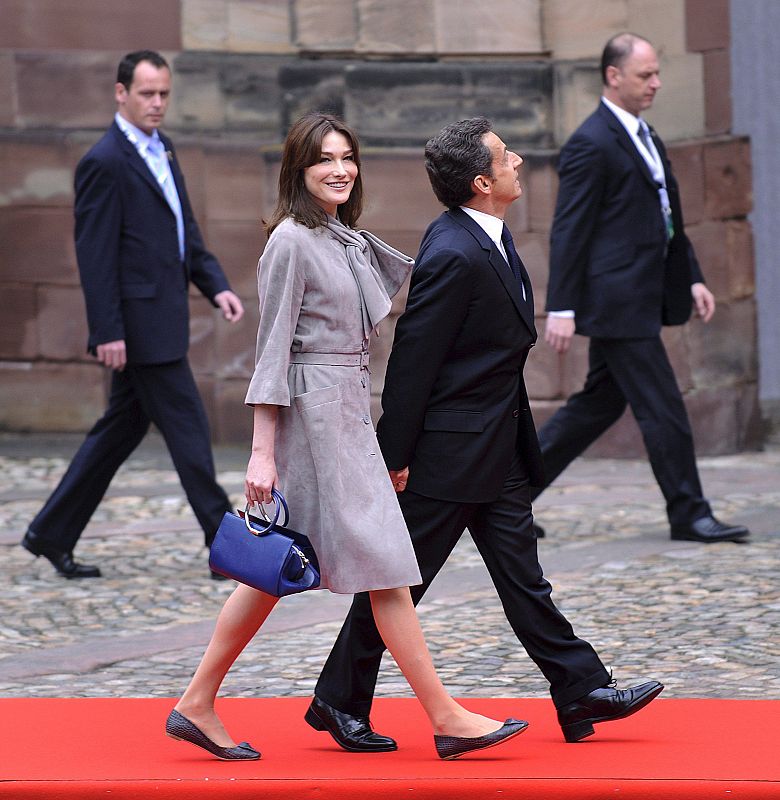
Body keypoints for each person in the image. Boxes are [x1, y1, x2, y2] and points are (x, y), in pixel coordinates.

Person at [166, 112, 528, 762]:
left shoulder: (337, 237)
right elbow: (271, 351)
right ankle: (445, 717)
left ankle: (196, 701)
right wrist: (261, 453)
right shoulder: (290, 243)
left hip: (345, 414)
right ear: (298, 172)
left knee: (275, 567)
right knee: (385, 567)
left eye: (346, 157)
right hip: (314, 421)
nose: (339, 168)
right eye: (323, 159)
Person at [308, 116, 663, 751]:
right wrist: (396, 456)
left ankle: (581, 688)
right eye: (505, 157)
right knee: (399, 584)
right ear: (481, 181)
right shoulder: (453, 252)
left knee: (523, 578)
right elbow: (414, 361)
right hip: (447, 454)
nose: (519, 161)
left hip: (494, 445)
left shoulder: (488, 238)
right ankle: (338, 700)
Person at [20, 50, 244, 579]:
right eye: (147, 93)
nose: (158, 103)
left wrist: (216, 286)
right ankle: (224, 544)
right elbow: (94, 255)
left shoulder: (162, 147)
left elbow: (183, 231)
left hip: (161, 320)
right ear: (121, 93)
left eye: (164, 93)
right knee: (189, 428)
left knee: (117, 433)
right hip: (140, 332)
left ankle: (50, 533)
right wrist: (107, 332)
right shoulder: (104, 161)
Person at [531, 33, 750, 545]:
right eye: (645, 75)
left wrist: (692, 274)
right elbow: (569, 229)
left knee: (596, 407)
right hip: (616, 302)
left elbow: (667, 214)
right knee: (663, 405)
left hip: (642, 295)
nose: (655, 83)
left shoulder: (643, 134)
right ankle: (690, 513)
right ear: (613, 76)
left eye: (656, 74)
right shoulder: (591, 141)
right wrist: (560, 306)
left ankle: (506, 498)